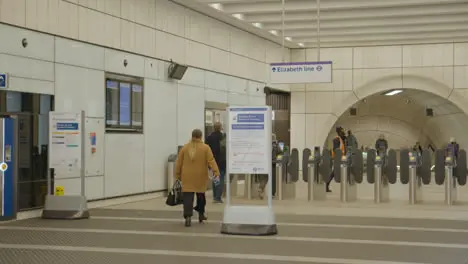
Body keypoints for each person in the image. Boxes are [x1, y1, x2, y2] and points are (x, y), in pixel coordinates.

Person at [175, 129, 220, 227]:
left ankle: (188, 217)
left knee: (188, 196)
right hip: (200, 175)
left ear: (192, 136)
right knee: (201, 196)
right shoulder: (205, 148)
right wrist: (216, 172)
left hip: (187, 176)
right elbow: (211, 161)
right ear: (201, 136)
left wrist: (177, 175)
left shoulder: (185, 148)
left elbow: (179, 163)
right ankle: (200, 214)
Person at [205, 122, 226, 203]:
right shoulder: (223, 137)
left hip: (212, 161)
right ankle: (218, 197)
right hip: (222, 162)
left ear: (214, 128)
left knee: (215, 178)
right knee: (220, 178)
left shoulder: (209, 137)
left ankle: (215, 196)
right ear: (220, 128)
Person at [258, 134, 282, 199]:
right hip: (272, 164)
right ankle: (272, 194)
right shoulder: (275, 145)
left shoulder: (264, 144)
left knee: (264, 178)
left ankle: (261, 188)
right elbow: (280, 152)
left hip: (264, 163)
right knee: (272, 178)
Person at [327, 126, 346, 193]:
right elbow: (336, 149)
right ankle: (326, 185)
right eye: (342, 131)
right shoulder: (336, 139)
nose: (343, 132)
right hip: (338, 158)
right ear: (339, 132)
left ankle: (327, 185)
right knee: (334, 172)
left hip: (341, 158)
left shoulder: (341, 139)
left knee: (337, 172)